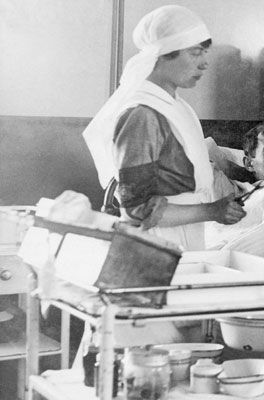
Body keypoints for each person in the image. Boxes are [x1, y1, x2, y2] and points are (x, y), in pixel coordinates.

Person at [82, 5, 245, 252]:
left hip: (184, 238)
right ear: (162, 54)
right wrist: (211, 210)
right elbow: (135, 209)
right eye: (195, 53)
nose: (204, 64)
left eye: (204, 53)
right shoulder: (143, 115)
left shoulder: (176, 107)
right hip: (154, 244)